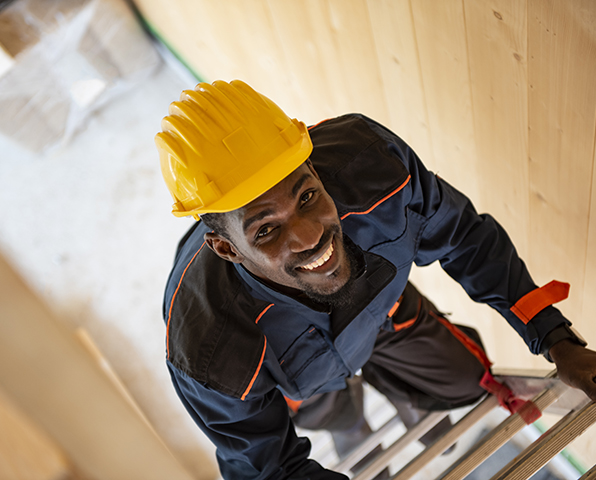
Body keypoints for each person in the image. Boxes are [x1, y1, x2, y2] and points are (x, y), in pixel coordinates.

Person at [156, 80, 596, 480]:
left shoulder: (376, 169)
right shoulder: (211, 354)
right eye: (266, 230)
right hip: (300, 379)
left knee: (464, 381)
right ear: (227, 249)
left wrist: (556, 338)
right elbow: (270, 470)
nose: (310, 237)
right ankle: (347, 421)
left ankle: (399, 391)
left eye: (307, 196)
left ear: (310, 162)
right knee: (335, 416)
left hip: (381, 310)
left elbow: (466, 238)